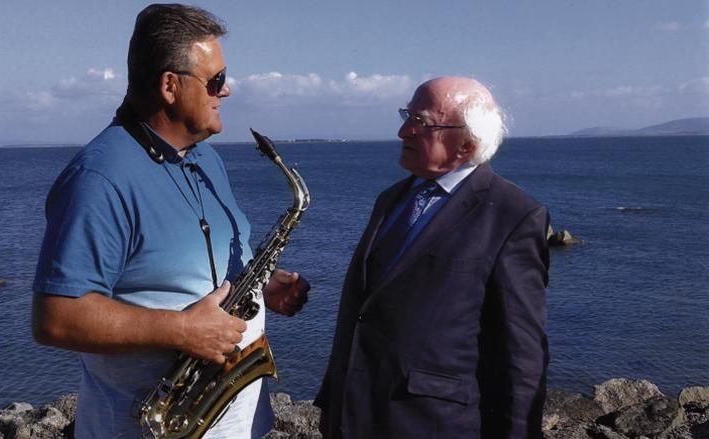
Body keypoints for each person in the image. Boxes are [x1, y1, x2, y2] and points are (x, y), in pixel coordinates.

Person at [31, 4, 309, 439]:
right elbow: (56, 318)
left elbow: (190, 268)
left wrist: (260, 284)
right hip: (150, 426)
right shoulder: (99, 179)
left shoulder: (205, 160)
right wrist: (182, 329)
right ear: (169, 86)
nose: (228, 90)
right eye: (216, 80)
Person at [315, 77, 549, 438]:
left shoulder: (512, 215)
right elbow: (362, 311)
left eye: (420, 122)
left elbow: (520, 357)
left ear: (466, 144)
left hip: (432, 425)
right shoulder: (391, 199)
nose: (402, 131)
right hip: (355, 417)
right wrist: (333, 401)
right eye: (407, 115)